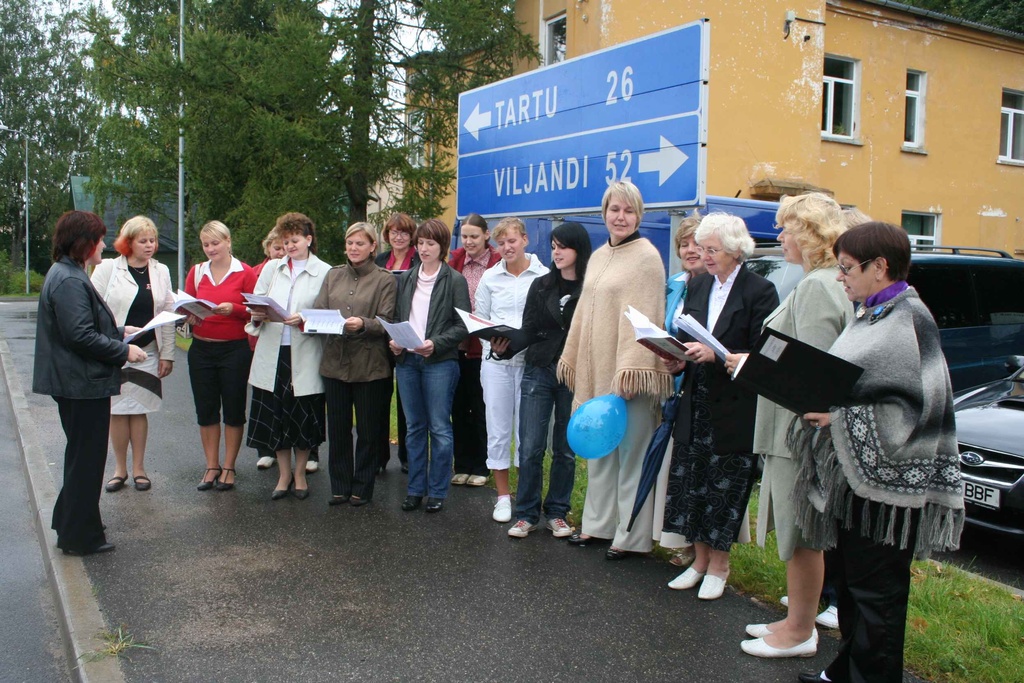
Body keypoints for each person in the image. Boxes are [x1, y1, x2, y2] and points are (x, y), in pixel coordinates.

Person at [793, 222, 963, 683]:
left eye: (847, 268)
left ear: (880, 266)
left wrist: (838, 418)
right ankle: (848, 671)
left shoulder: (911, 319)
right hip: (857, 479)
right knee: (851, 586)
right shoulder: (870, 313)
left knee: (878, 595)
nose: (840, 277)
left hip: (892, 486)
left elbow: (919, 408)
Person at [722, 193, 849, 658]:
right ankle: (797, 620)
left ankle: (800, 632)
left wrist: (750, 367)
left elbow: (811, 373)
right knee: (800, 535)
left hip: (798, 434)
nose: (779, 237)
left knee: (801, 536)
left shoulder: (817, 286)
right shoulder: (820, 280)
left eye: (786, 228)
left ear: (809, 233)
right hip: (794, 430)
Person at [662, 212, 778, 599]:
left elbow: (763, 353)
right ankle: (698, 560)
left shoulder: (759, 290)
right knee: (691, 480)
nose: (705, 256)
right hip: (695, 398)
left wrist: (716, 355)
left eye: (712, 249)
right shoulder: (698, 285)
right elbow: (686, 338)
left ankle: (719, 565)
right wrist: (677, 358)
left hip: (733, 403)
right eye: (702, 248)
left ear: (735, 250)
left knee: (724, 485)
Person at [559, 181, 674, 559]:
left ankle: (630, 536)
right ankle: (597, 525)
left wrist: (629, 371)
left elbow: (644, 319)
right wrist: (576, 359)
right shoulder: (599, 256)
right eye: (614, 209)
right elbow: (584, 313)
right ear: (604, 212)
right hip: (598, 369)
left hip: (630, 376)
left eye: (628, 210)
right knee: (601, 453)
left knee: (632, 457)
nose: (620, 217)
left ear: (639, 216)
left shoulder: (646, 258)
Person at [33, 210, 148, 556]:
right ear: (84, 243)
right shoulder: (69, 279)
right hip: (79, 384)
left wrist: (119, 331)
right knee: (86, 460)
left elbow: (82, 326)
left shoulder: (68, 273)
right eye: (98, 239)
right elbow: (79, 336)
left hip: (76, 381)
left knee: (81, 457)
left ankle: (72, 524)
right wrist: (123, 351)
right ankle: (80, 538)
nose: (103, 244)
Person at [505, 222, 592, 538]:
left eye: (563, 246)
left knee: (565, 449)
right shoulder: (541, 285)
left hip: (573, 372)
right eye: (553, 246)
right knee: (530, 446)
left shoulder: (592, 288)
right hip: (539, 369)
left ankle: (557, 512)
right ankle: (526, 514)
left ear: (579, 249)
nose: (556, 252)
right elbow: (528, 328)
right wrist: (505, 346)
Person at [246, 212, 330, 501]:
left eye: (295, 240)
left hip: (304, 353)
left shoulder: (324, 271)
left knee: (302, 415)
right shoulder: (272, 268)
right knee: (276, 415)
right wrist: (257, 314)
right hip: (273, 352)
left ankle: (300, 474)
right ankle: (283, 475)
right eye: (285, 241)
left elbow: (328, 314)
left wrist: (305, 319)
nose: (290, 246)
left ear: (308, 239)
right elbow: (256, 301)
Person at [90, 216, 175, 494]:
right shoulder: (107, 269)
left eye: (153, 240)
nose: (150, 245)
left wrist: (168, 354)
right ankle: (119, 470)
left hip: (147, 352)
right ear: (128, 243)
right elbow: (92, 309)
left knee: (139, 409)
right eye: (143, 241)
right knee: (117, 410)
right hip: (114, 351)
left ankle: (139, 469)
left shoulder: (161, 270)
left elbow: (167, 314)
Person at [390, 219, 470, 513]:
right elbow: (398, 317)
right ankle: (415, 489)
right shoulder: (407, 278)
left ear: (442, 247)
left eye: (431, 244)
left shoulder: (455, 280)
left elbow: (463, 325)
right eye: (421, 243)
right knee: (414, 428)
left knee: (439, 427)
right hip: (408, 360)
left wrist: (435, 343)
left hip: (439, 362)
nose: (424, 249)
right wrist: (395, 340)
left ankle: (437, 491)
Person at [314, 222, 396, 506]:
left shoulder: (385, 279)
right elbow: (319, 310)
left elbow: (386, 321)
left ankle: (362, 486)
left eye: (360, 243)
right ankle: (339, 486)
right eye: (350, 243)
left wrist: (363, 323)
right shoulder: (333, 275)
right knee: (338, 429)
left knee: (368, 431)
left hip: (370, 365)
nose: (353, 248)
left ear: (373, 246)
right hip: (335, 363)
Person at [475, 216, 549, 522]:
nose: (507, 247)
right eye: (501, 243)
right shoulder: (490, 278)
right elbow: (480, 320)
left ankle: (525, 496)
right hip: (497, 365)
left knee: (528, 435)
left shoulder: (544, 275)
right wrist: (493, 345)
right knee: (498, 429)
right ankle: (503, 496)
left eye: (512, 241)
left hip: (532, 365)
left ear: (525, 240)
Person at [184, 220, 257, 492]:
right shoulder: (197, 272)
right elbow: (186, 305)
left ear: (228, 241)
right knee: (206, 409)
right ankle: (211, 465)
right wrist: (189, 315)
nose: (211, 249)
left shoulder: (245, 272)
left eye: (215, 243)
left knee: (234, 409)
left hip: (234, 349)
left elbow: (258, 310)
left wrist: (234, 309)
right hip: (201, 348)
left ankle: (229, 466)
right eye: (206, 244)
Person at [653, 211, 706, 567]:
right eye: (684, 244)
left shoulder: (716, 285)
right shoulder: (674, 283)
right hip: (671, 383)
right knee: (674, 466)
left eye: (697, 244)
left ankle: (695, 546)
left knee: (693, 467)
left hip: (701, 383)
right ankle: (677, 536)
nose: (690, 250)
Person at [447, 213, 500, 488]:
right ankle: (462, 463)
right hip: (457, 345)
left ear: (486, 235)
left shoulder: (497, 262)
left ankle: (482, 465)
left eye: (474, 236)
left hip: (483, 348)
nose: (468, 241)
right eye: (465, 236)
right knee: (458, 407)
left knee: (480, 408)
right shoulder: (455, 261)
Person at [375, 212, 420, 473]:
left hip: (408, 334)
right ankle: (380, 457)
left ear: (411, 235)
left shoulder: (419, 259)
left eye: (404, 232)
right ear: (387, 235)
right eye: (394, 232)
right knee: (380, 398)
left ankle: (407, 456)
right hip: (382, 335)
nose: (399, 237)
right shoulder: (380, 261)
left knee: (407, 402)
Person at [251, 229, 284, 470]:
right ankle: (266, 448)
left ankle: (308, 452)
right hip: (263, 340)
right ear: (268, 248)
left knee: (296, 397)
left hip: (293, 341)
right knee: (265, 398)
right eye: (277, 248)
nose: (281, 252)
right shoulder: (256, 272)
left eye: (285, 246)